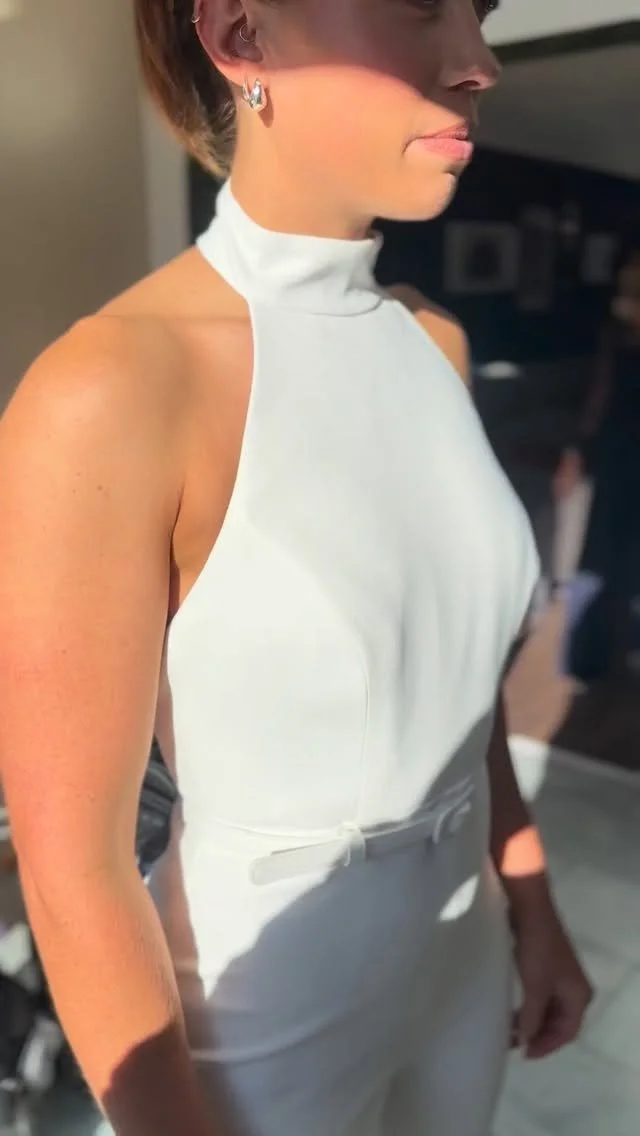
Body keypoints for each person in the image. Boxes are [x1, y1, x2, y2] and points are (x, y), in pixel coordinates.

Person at [0, 2, 591, 1134]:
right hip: (263, 1014)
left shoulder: (432, 342)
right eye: (420, 4)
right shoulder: (111, 390)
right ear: (243, 36)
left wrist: (530, 898)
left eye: (479, 12)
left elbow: (455, 692)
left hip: (461, 965)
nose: (479, 62)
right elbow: (72, 867)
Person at [557, 234, 640, 682]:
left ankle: (591, 659)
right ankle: (586, 658)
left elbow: (597, 397)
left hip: (615, 449)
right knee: (603, 555)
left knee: (606, 554)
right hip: (616, 450)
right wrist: (575, 452)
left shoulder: (616, 331)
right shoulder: (616, 332)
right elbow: (597, 397)